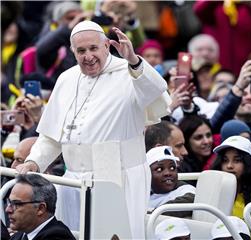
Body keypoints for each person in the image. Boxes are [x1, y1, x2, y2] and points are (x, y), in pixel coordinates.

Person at [15, 20, 170, 238]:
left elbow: (157, 94)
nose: (88, 56)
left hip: (119, 176)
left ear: (107, 45)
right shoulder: (66, 79)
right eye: (81, 51)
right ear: (72, 52)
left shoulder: (130, 72)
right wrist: (34, 161)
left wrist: (134, 61)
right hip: (73, 179)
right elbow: (52, 136)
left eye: (93, 48)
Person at [212, 136, 251, 226]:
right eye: (225, 160)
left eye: (237, 160)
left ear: (249, 164)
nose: (229, 166)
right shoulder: (212, 195)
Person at [5, 174, 75, 240]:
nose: (8, 209)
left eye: (16, 204)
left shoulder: (58, 237)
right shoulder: (22, 234)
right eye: (9, 202)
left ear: (40, 208)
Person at [147, 146, 195, 218]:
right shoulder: (144, 197)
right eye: (159, 169)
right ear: (148, 174)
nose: (167, 173)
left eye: (172, 168)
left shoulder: (185, 190)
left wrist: (154, 214)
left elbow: (191, 200)